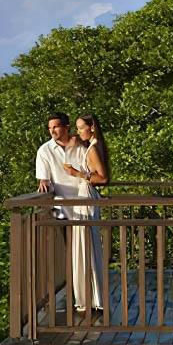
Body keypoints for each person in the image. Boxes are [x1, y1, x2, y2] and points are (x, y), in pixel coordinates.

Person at [34, 113, 104, 318]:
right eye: (50, 128)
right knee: (73, 256)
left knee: (90, 253)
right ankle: (80, 299)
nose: (52, 131)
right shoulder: (45, 151)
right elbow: (44, 179)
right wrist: (43, 182)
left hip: (85, 205)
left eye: (56, 127)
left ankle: (94, 299)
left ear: (66, 127)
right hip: (63, 209)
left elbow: (96, 173)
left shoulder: (81, 146)